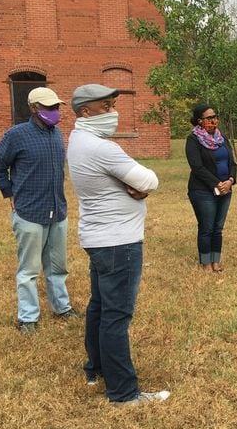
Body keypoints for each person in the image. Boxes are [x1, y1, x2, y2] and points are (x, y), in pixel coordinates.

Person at [67, 84, 170, 405]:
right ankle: (124, 393)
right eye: (106, 106)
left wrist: (132, 182)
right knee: (116, 316)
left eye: (114, 105)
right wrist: (137, 183)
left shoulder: (77, 140)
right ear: (86, 111)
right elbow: (149, 180)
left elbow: (137, 181)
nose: (114, 113)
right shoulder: (103, 148)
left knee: (99, 307)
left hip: (98, 238)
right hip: (119, 241)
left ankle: (95, 368)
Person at [0, 87, 79, 334]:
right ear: (33, 108)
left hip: (57, 211)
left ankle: (61, 307)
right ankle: (28, 318)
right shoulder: (17, 135)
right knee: (29, 270)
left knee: (58, 267)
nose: (54, 111)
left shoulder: (56, 134)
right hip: (29, 212)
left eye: (57, 107)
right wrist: (8, 192)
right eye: (48, 107)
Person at [185, 104, 237, 273]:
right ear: (199, 121)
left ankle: (216, 260)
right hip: (202, 190)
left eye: (214, 116)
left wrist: (230, 180)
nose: (213, 120)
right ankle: (206, 262)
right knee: (207, 227)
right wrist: (217, 184)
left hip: (225, 189)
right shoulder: (193, 140)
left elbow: (232, 163)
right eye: (209, 118)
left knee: (218, 228)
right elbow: (197, 167)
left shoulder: (222, 138)